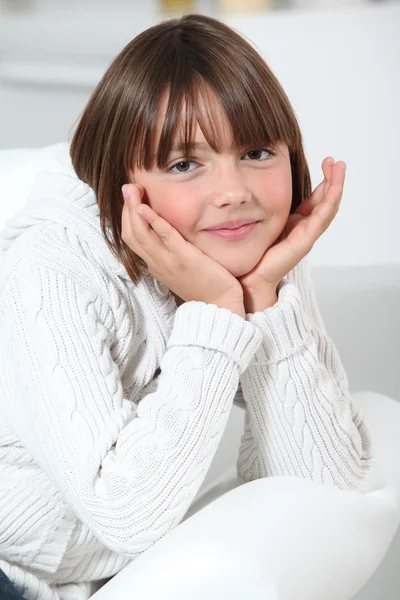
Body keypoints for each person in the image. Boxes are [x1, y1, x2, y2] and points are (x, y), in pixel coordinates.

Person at [0, 13, 375, 600]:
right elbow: (125, 515)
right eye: (184, 164)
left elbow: (323, 490)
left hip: (109, 576)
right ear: (122, 182)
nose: (234, 192)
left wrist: (263, 299)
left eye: (256, 152)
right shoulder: (49, 269)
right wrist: (220, 312)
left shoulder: (250, 246)